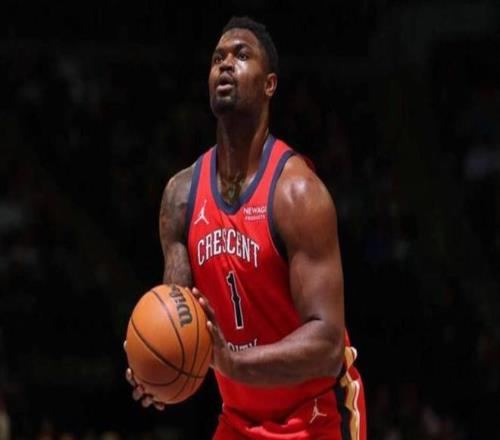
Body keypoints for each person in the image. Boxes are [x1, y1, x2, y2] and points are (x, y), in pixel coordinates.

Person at [125, 16, 367, 439]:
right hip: (239, 420)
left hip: (316, 417)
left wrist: (233, 363)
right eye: (217, 58)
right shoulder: (181, 197)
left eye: (241, 55)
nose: (225, 64)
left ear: (269, 84)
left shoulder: (298, 194)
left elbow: (328, 346)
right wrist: (158, 364)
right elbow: (182, 318)